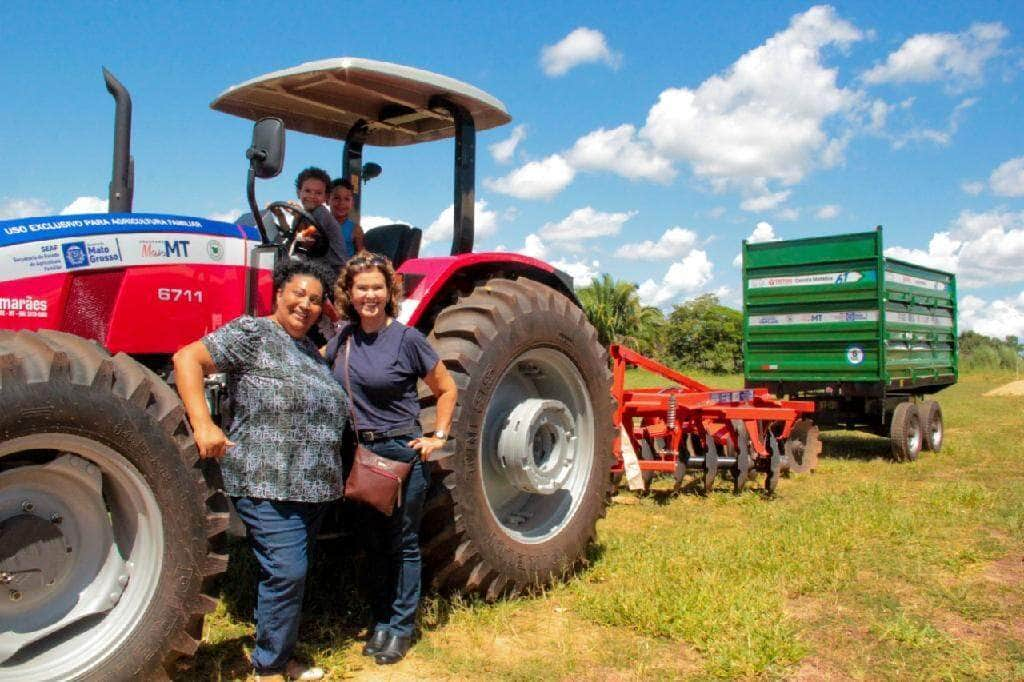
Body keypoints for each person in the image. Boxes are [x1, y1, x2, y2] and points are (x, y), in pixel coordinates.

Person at [173, 259, 346, 682]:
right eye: (298, 294)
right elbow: (187, 358)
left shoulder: (310, 351)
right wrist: (203, 423)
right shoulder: (254, 333)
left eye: (316, 300)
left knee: (287, 574)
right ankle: (269, 667)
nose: (306, 305)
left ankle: (279, 651)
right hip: (265, 478)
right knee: (288, 571)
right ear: (279, 294)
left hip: (313, 487)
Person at [324, 252, 456, 665]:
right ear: (349, 292)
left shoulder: (407, 339)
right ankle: (381, 619)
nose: (370, 295)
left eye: (377, 287)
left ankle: (400, 626)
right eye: (361, 287)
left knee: (403, 544)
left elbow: (446, 388)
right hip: (361, 454)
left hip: (401, 453)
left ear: (389, 292)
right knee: (372, 543)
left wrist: (437, 436)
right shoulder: (342, 339)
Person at [270, 167, 348, 274]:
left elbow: (307, 242)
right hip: (317, 264)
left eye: (318, 193)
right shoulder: (302, 214)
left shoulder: (321, 213)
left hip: (334, 269)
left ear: (326, 197)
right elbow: (291, 236)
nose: (312, 196)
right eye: (307, 191)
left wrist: (298, 216)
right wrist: (280, 216)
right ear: (299, 192)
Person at [328, 178, 365, 256]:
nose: (341, 203)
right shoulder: (319, 224)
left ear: (352, 203)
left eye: (347, 199)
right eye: (336, 198)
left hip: (343, 266)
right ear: (327, 200)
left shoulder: (356, 229)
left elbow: (361, 254)